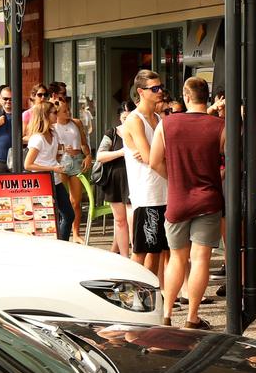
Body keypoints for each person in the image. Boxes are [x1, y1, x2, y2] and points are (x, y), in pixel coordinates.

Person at [151, 77, 225, 329]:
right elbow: (232, 163)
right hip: (208, 198)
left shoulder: (166, 124)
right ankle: (192, 317)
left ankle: (168, 314)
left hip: (177, 199)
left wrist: (174, 178)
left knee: (176, 258)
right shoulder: (220, 126)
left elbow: (153, 161)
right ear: (208, 96)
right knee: (201, 257)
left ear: (186, 95)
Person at [120, 70, 169, 279]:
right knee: (140, 252)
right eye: (155, 88)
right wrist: (158, 156)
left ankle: (149, 294)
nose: (160, 92)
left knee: (156, 250)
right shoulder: (135, 119)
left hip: (162, 191)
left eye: (161, 87)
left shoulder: (158, 117)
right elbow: (150, 158)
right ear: (140, 91)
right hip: (146, 194)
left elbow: (160, 154)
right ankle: (131, 296)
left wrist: (157, 156)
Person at [23, 100, 76, 242]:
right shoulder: (37, 138)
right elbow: (28, 164)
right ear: (45, 115)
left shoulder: (53, 132)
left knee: (68, 214)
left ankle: (61, 243)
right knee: (45, 218)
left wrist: (63, 151)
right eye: (53, 112)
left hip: (55, 179)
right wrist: (52, 168)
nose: (56, 114)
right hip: (42, 182)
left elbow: (54, 155)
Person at [95, 101, 134, 256]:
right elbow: (100, 156)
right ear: (119, 117)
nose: (127, 120)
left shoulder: (140, 132)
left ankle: (136, 255)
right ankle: (124, 257)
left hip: (134, 180)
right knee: (119, 221)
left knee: (132, 221)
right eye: (124, 117)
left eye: (130, 117)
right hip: (115, 181)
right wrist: (120, 152)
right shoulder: (111, 133)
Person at [54, 100, 91, 241]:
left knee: (76, 201)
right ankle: (62, 232)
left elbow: (83, 143)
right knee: (62, 201)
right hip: (61, 162)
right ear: (57, 113)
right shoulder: (53, 126)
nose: (68, 113)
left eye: (68, 109)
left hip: (76, 160)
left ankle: (76, 233)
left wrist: (88, 155)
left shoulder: (76, 123)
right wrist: (62, 150)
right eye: (65, 111)